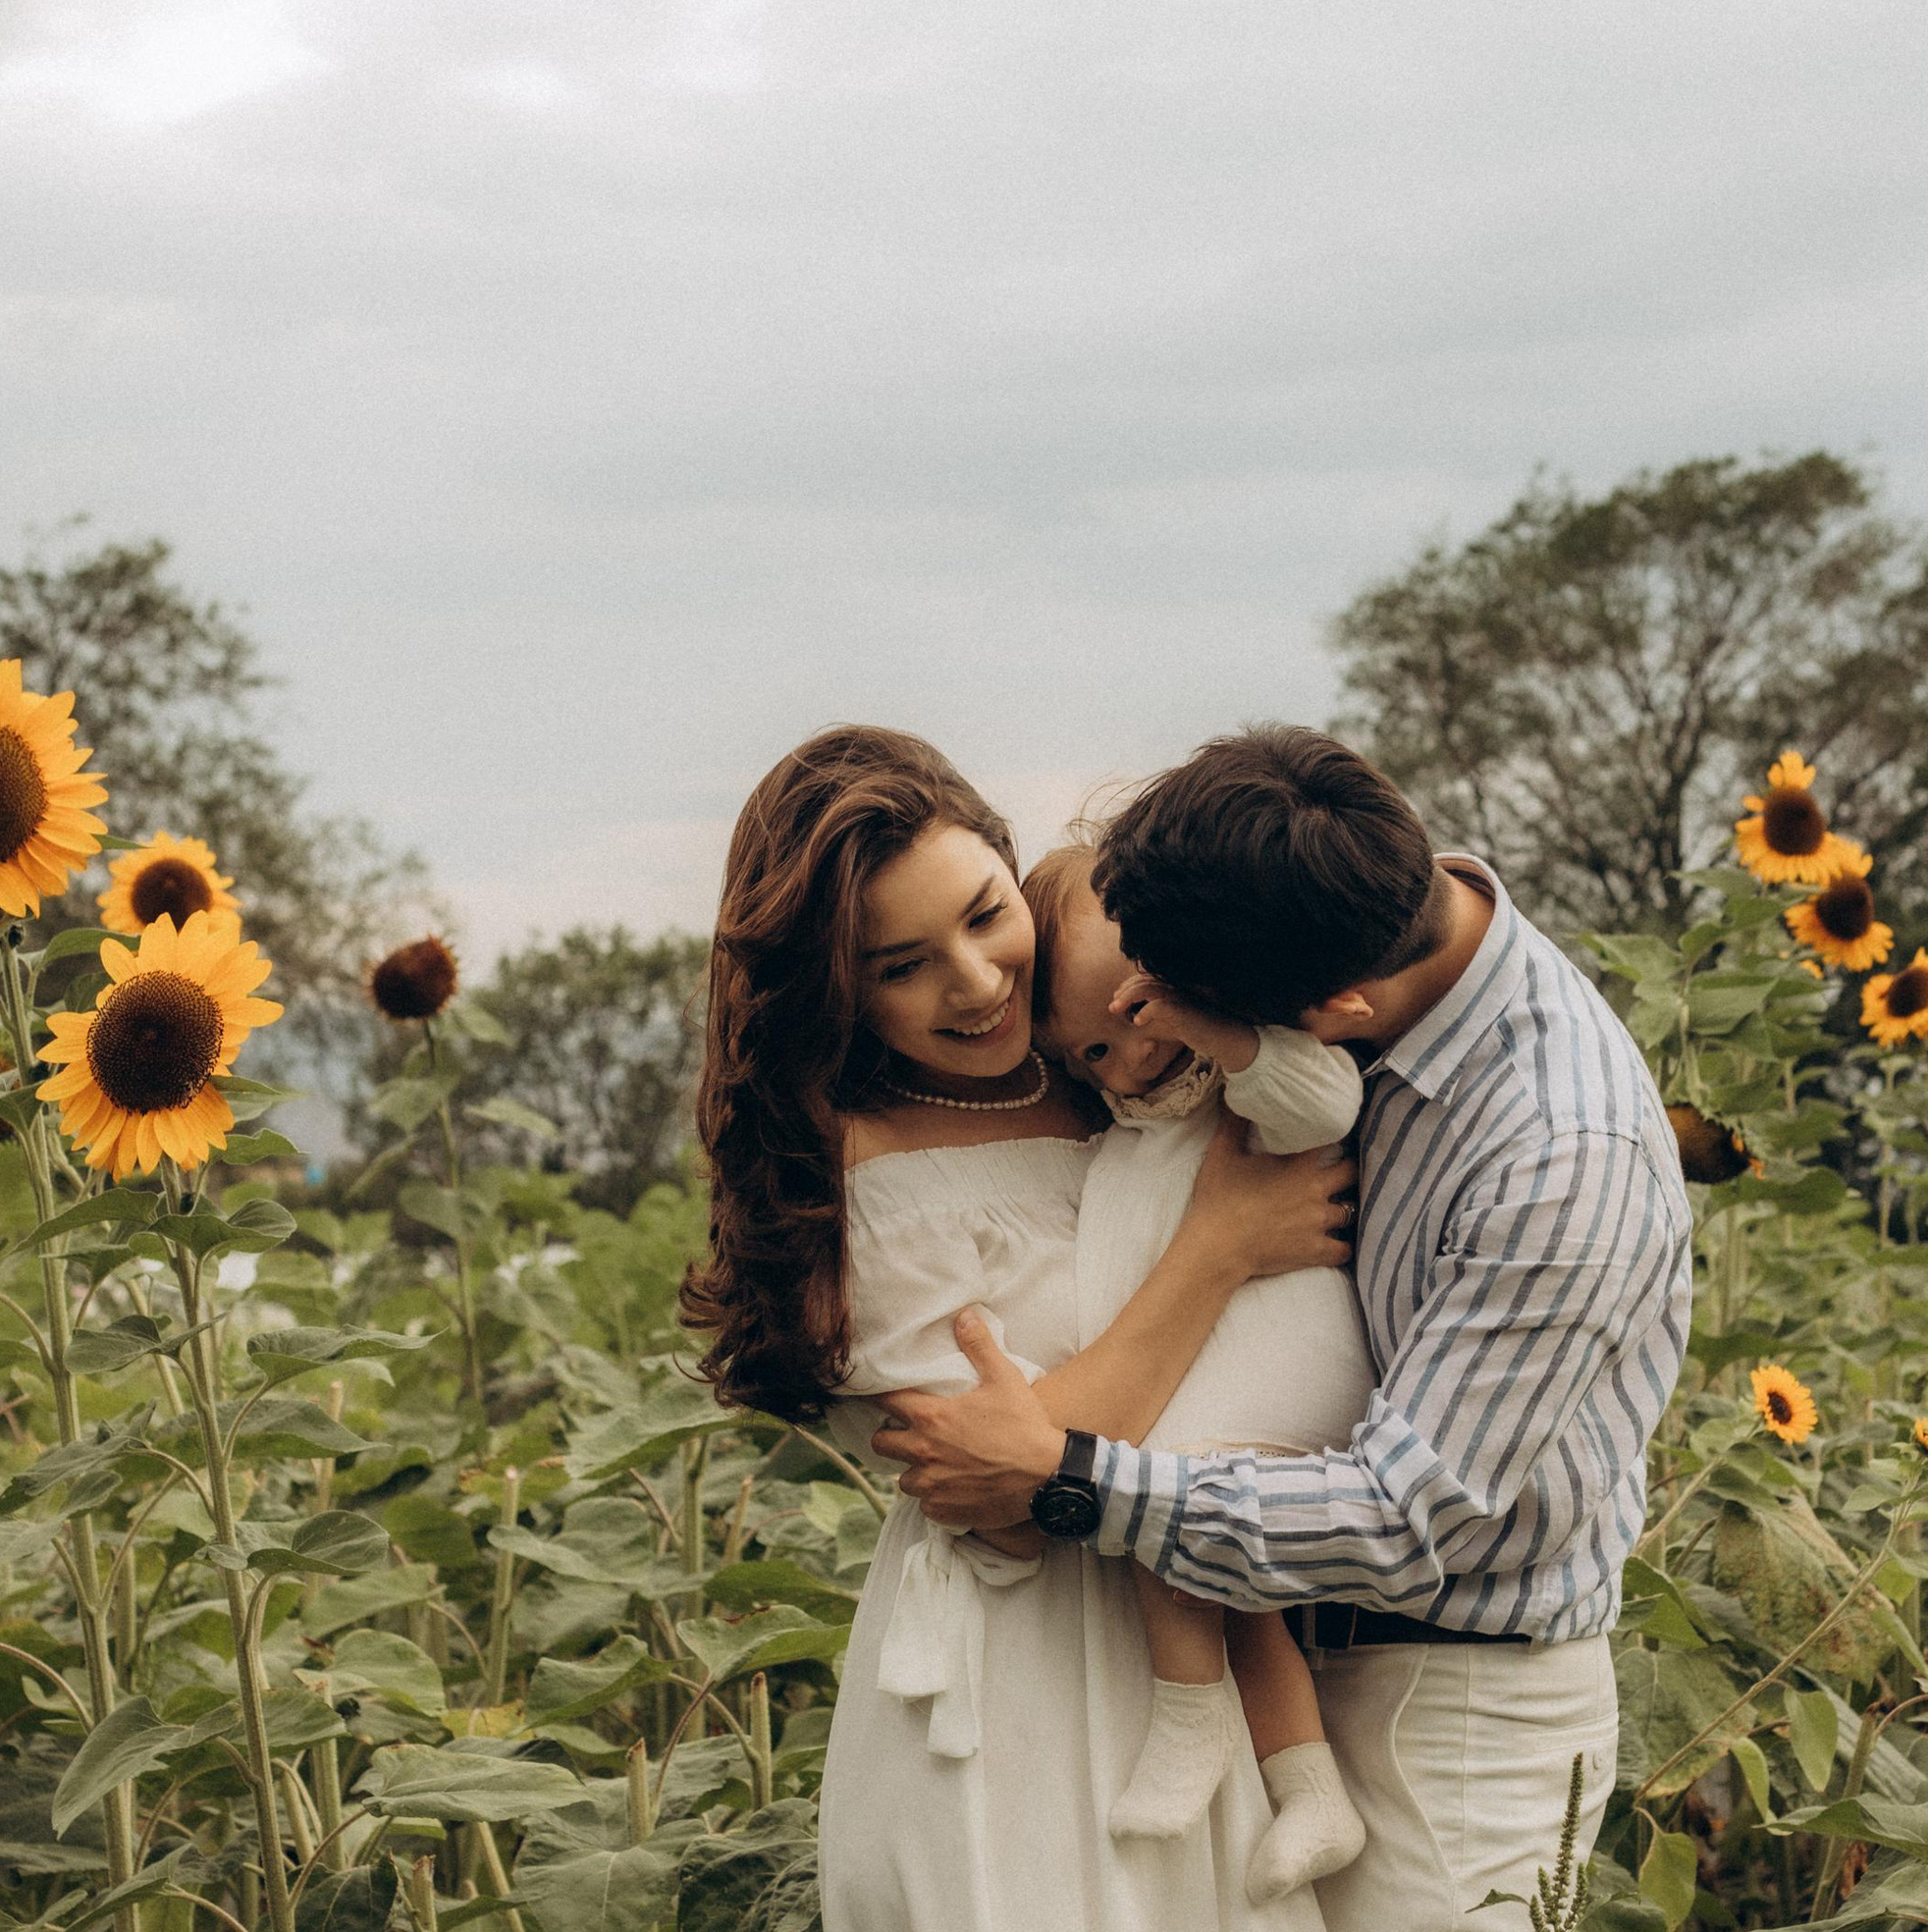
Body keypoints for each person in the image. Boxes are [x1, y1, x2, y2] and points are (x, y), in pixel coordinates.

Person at [871, 725, 1693, 1931]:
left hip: (1451, 1718)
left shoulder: (1560, 1159)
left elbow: (1404, 1516)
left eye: (1175, 1008)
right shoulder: (1323, 900)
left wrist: (1074, 1476)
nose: (1145, 1024)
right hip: (1300, 1656)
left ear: (1328, 1011)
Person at [679, 726, 1356, 1932]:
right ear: (838, 988)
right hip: (1022, 1662)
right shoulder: (867, 1165)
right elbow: (998, 1484)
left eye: (985, 914)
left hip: (1211, 1607)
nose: (976, 980)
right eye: (901, 965)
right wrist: (1223, 1242)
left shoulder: (1114, 1051)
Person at [1024, 839, 1371, 1900]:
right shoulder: (1134, 1128)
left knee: (1161, 1502)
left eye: (1136, 1018)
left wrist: (1221, 1039)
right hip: (1225, 1374)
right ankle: (1309, 1784)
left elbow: (1329, 1105)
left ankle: (1190, 1718)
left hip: (1295, 1362)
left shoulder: (1242, 1089)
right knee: (1220, 1561)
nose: (1126, 1064)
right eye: (1087, 1054)